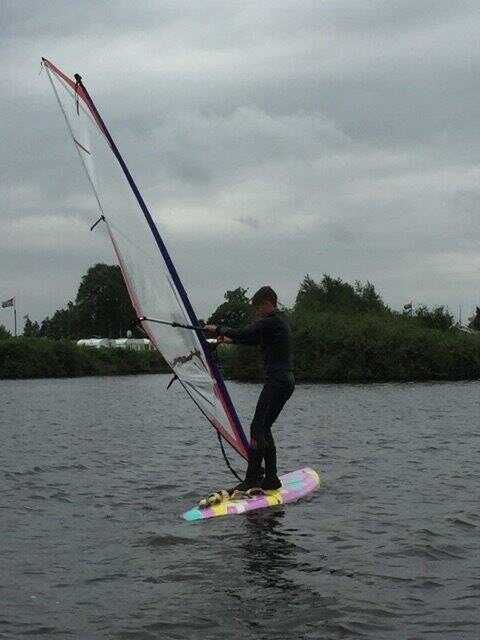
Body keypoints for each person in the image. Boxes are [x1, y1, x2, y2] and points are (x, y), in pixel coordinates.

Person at [205, 286, 295, 492]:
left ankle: (253, 479)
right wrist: (230, 339)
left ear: (268, 304)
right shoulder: (278, 323)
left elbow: (246, 332)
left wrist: (218, 328)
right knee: (264, 428)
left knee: (257, 427)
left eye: (258, 308)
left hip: (278, 382)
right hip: (284, 381)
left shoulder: (272, 321)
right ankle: (271, 479)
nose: (257, 313)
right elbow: (252, 339)